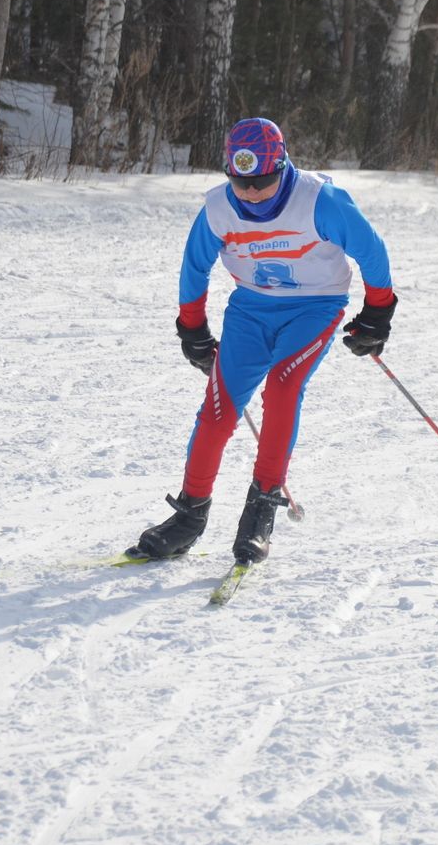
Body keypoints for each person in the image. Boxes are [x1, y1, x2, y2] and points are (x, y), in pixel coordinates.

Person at [129, 117, 396, 565]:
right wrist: (192, 327)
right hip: (250, 310)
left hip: (315, 307)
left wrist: (377, 312)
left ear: (283, 166)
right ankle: (190, 515)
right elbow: (194, 267)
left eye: (263, 182)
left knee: (283, 386)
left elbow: (371, 250)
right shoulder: (218, 208)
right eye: (241, 183)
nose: (251, 193)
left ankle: (261, 510)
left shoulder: (320, 201)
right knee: (217, 411)